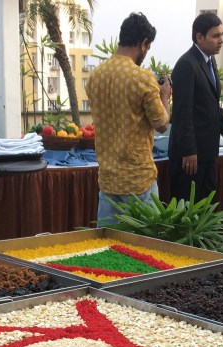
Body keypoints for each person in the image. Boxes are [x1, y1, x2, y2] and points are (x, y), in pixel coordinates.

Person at [85, 12, 172, 226]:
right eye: (148, 47)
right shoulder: (142, 78)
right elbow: (162, 124)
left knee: (109, 242)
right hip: (138, 180)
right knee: (146, 242)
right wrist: (165, 97)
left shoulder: (95, 76)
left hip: (108, 180)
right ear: (143, 43)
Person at [168, 12, 223, 203]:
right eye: (216, 36)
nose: (221, 40)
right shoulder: (186, 64)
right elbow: (182, 113)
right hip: (190, 156)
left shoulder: (209, 60)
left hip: (208, 151)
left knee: (207, 208)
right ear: (199, 37)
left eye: (222, 35)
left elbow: (210, 105)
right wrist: (189, 151)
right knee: (187, 208)